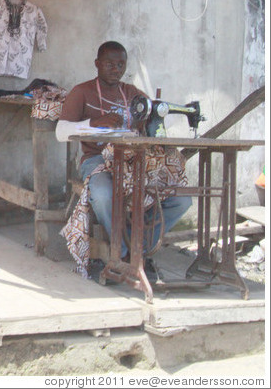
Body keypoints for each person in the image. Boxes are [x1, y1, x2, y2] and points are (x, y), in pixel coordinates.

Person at [56, 41, 192, 280]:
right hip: (96, 159)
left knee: (181, 200)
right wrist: (92, 124)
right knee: (106, 195)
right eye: (109, 63)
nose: (116, 69)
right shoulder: (82, 92)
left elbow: (152, 117)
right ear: (97, 64)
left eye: (121, 64)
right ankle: (127, 252)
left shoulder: (133, 93)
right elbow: (61, 132)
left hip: (134, 161)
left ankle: (137, 251)